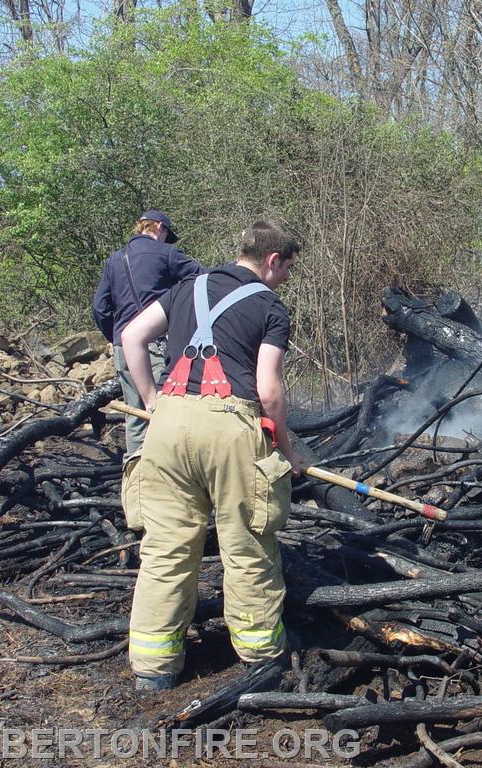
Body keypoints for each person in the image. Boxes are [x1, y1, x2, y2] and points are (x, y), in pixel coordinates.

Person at [120, 220, 303, 691]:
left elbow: (132, 337)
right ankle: (261, 659)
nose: (286, 279)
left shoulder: (185, 287)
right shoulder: (269, 306)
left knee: (165, 547)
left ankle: (154, 668)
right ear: (273, 260)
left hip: (166, 429)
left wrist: (151, 401)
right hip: (230, 428)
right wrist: (286, 451)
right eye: (287, 269)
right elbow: (268, 390)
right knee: (247, 544)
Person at [92, 209, 201, 460]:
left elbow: (100, 308)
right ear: (159, 227)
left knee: (135, 415)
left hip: (123, 347)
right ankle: (170, 470)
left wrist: (117, 338)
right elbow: (205, 280)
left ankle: (136, 474)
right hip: (157, 345)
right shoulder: (167, 254)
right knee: (169, 410)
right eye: (167, 235)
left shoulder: (114, 260)